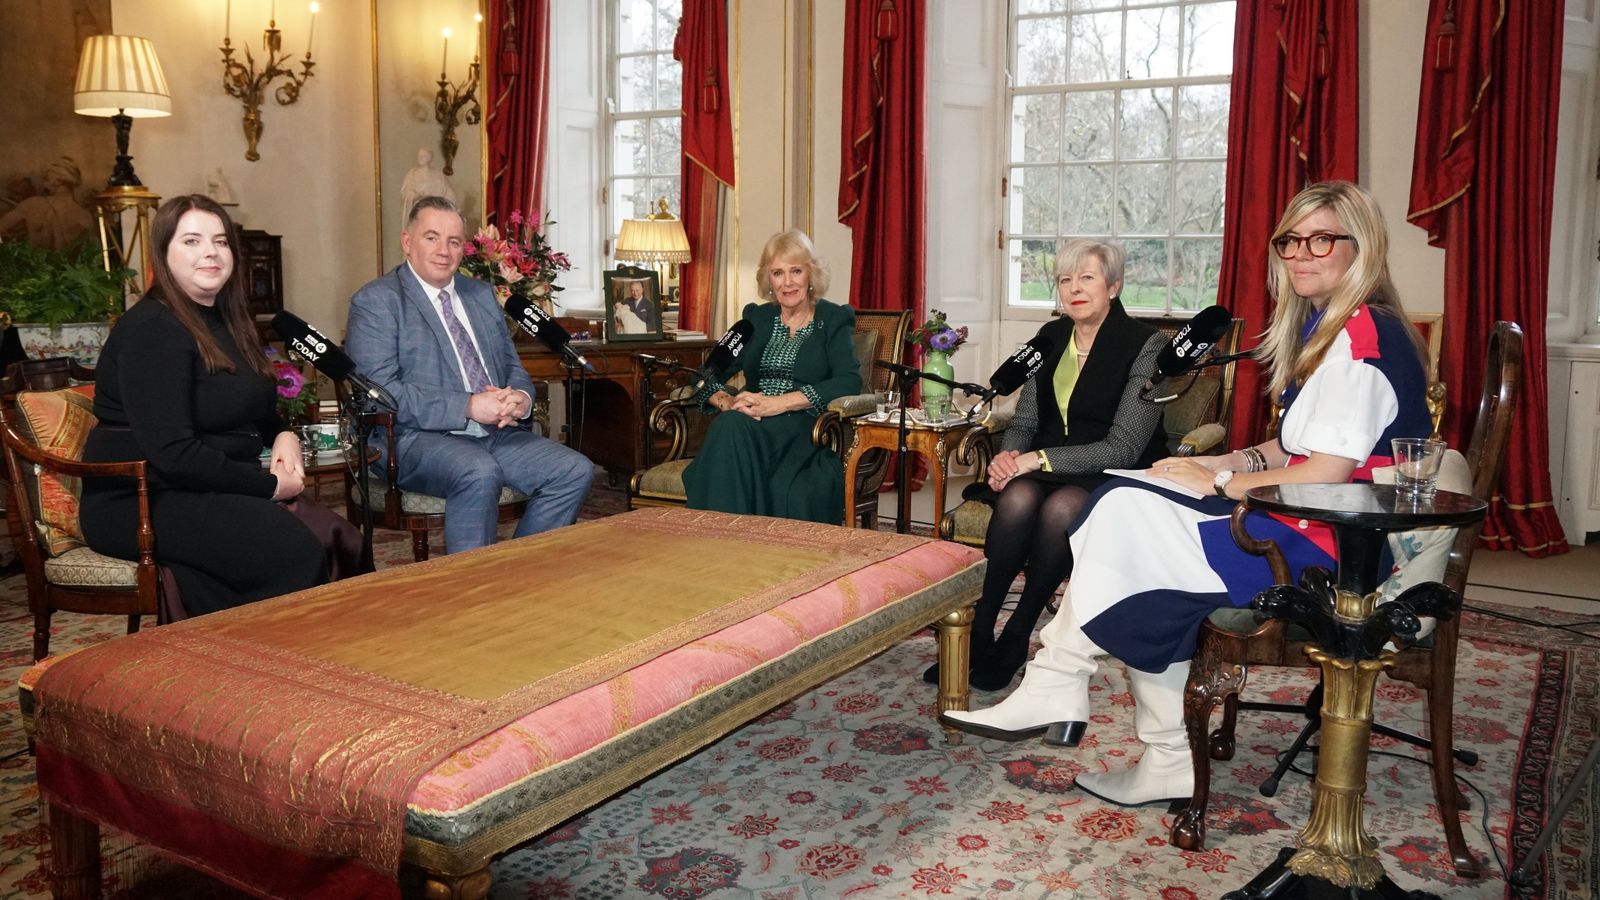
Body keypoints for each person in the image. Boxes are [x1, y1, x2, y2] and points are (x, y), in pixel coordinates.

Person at [942, 181, 1432, 811]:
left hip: (1331, 547)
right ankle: (1141, 741)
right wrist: (1222, 460)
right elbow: (1291, 450)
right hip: (1299, 521)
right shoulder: (1330, 328)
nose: (1302, 254)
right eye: (1290, 241)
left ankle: (1064, 684)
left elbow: (1329, 473)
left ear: (1360, 247)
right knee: (1128, 502)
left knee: (1124, 525)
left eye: (1322, 239)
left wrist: (1224, 482)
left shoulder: (1362, 339)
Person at [80, 194, 363, 617]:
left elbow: (254, 407)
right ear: (164, 252)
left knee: (339, 536)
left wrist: (282, 433)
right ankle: (261, 672)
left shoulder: (227, 321)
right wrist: (269, 487)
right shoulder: (153, 330)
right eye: (192, 241)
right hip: (140, 498)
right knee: (289, 550)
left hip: (204, 487)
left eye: (220, 241)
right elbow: (174, 454)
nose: (210, 252)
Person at [924, 239, 1167, 693]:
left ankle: (1017, 635)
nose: (1074, 288)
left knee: (1061, 511)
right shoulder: (1049, 339)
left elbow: (1124, 447)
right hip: (1046, 464)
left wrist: (1037, 458)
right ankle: (976, 634)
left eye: (1087, 278)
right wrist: (1008, 455)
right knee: (1016, 498)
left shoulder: (1146, 345)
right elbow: (1027, 421)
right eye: (1064, 279)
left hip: (1113, 472)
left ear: (1113, 286)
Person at [346, 196, 594, 553]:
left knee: (573, 470)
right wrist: (468, 406)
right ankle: (474, 594)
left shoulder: (479, 295)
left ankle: (516, 577)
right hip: (411, 439)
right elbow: (380, 393)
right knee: (478, 470)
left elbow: (512, 367)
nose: (444, 250)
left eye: (454, 241)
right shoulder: (377, 301)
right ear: (407, 242)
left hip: (495, 432)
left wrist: (520, 399)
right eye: (432, 237)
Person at [682, 229, 861, 524]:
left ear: (810, 275)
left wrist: (780, 403)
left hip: (803, 429)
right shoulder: (754, 320)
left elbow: (848, 381)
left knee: (730, 430)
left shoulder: (832, 319)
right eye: (778, 273)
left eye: (796, 271)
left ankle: (718, 534)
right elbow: (703, 375)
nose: (788, 282)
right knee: (730, 424)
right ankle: (728, 536)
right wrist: (728, 401)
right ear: (769, 279)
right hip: (749, 422)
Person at [0, 158, 95, 250]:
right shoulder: (84, 217)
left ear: (58, 181)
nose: (43, 184)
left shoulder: (32, 205)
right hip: (70, 266)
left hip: (37, 265)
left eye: (46, 179)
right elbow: (92, 254)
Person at [398, 148, 456, 232]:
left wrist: (437, 200)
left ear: (429, 158)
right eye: (419, 156)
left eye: (423, 156)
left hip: (436, 216)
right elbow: (405, 193)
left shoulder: (438, 176)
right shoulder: (412, 174)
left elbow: (450, 195)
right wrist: (416, 195)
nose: (420, 158)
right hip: (418, 214)